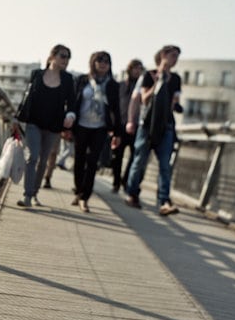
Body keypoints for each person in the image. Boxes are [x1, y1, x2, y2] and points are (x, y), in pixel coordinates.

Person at [14, 45, 76, 207]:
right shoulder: (37, 74)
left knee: (44, 161)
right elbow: (26, 97)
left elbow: (72, 103)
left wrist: (70, 115)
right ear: (52, 56)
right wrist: (16, 118)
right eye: (63, 56)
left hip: (54, 126)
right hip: (34, 122)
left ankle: (35, 192)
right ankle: (27, 196)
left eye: (68, 57)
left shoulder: (68, 79)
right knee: (32, 156)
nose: (66, 60)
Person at [125, 45, 182, 215]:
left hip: (166, 125)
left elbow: (174, 101)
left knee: (165, 165)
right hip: (146, 124)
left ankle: (164, 201)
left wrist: (173, 100)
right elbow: (143, 98)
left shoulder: (176, 79)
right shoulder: (149, 75)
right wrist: (158, 81)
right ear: (163, 55)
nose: (175, 60)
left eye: (177, 57)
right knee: (139, 161)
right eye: (173, 56)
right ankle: (132, 193)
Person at [72, 51, 122, 213]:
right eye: (99, 60)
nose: (103, 64)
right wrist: (67, 127)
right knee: (79, 160)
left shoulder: (113, 85)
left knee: (93, 162)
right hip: (81, 125)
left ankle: (85, 197)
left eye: (106, 61)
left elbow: (116, 109)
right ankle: (79, 190)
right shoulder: (82, 80)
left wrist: (117, 133)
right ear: (93, 62)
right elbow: (73, 103)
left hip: (100, 127)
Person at [111, 59, 144, 193]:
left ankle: (126, 180)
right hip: (120, 125)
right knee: (116, 156)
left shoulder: (143, 87)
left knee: (134, 157)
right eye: (135, 68)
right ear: (129, 69)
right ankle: (116, 182)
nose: (137, 71)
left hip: (137, 126)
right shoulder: (120, 85)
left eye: (140, 69)